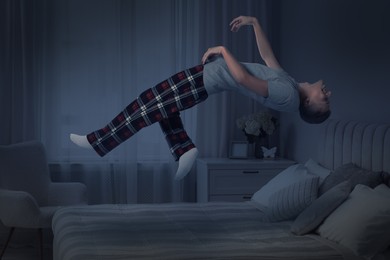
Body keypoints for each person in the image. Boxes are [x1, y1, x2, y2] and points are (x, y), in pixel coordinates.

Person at [70, 16, 332, 180]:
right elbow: (268, 58)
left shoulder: (287, 96)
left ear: (309, 104)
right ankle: (184, 149)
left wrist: (222, 49)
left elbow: (243, 80)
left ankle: (99, 141)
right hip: (205, 77)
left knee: (145, 107)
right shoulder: (289, 85)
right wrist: (255, 23)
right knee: (160, 109)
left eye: (325, 99)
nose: (327, 93)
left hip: (204, 81)